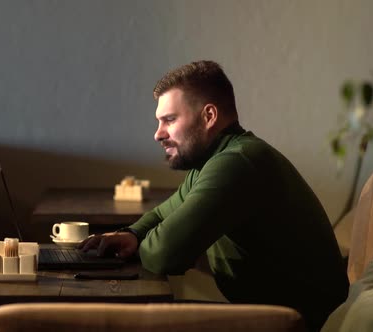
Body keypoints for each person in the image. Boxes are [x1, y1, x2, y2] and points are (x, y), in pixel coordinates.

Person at [79, 60, 349, 331]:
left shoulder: (237, 163)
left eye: (170, 120)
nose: (158, 134)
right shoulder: (212, 162)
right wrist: (133, 234)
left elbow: (164, 254)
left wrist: (142, 245)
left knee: (127, 324)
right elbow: (163, 213)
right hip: (269, 315)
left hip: (297, 324)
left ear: (209, 117)